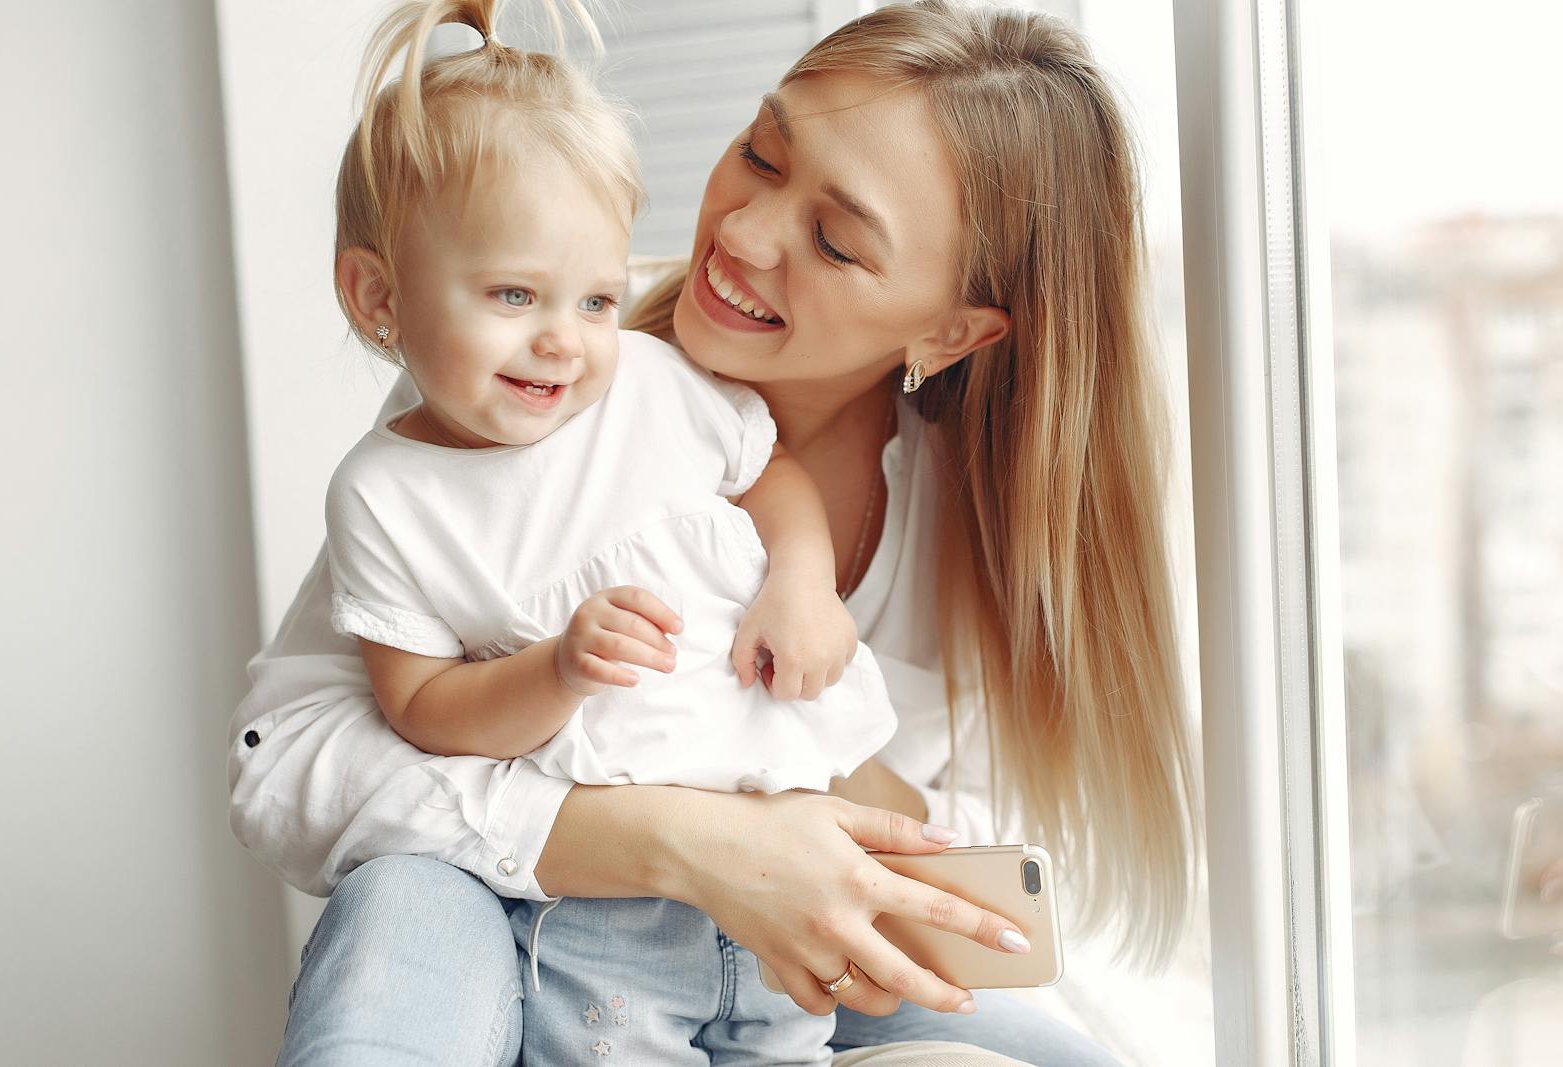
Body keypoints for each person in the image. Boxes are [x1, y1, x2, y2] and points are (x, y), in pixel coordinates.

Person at [229, 2, 1199, 1063]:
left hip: (792, 954)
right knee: (402, 903)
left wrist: (791, 777)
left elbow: (967, 898)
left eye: (833, 240)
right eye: (760, 152)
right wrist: (681, 839)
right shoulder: (516, 403)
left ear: (948, 330)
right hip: (534, 920)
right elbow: (290, 763)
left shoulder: (973, 518)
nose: (739, 233)